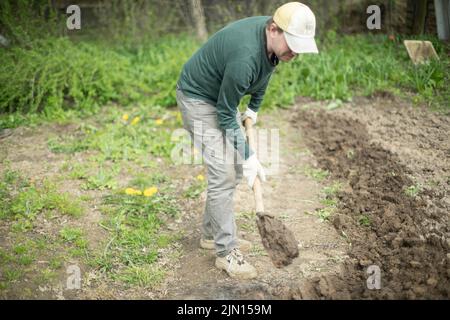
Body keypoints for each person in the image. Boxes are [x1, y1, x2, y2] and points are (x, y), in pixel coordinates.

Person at [175, 2, 318, 279]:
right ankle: (226, 251)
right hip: (197, 99)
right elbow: (226, 113)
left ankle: (210, 233)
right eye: (293, 45)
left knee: (237, 168)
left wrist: (254, 108)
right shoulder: (245, 56)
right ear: (274, 30)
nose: (295, 53)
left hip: (219, 100)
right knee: (224, 172)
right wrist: (250, 155)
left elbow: (264, 73)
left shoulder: (272, 42)